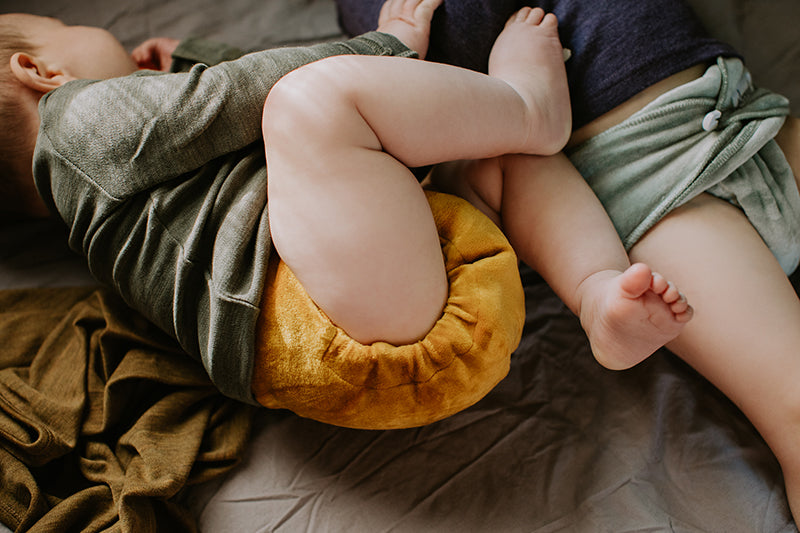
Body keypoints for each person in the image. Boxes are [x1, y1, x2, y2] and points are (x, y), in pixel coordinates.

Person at [0, 0, 689, 429]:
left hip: (383, 308)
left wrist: (176, 70)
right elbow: (243, 93)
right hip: (341, 320)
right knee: (305, 104)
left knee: (488, 152)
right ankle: (530, 106)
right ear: (42, 71)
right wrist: (388, 43)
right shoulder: (78, 124)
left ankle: (600, 293)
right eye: (70, 28)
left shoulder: (99, 205)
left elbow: (217, 115)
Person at [335, 0, 800, 522]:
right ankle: (595, 289)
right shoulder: (378, 19)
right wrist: (395, 51)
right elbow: (383, 132)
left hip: (749, 115)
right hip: (647, 192)